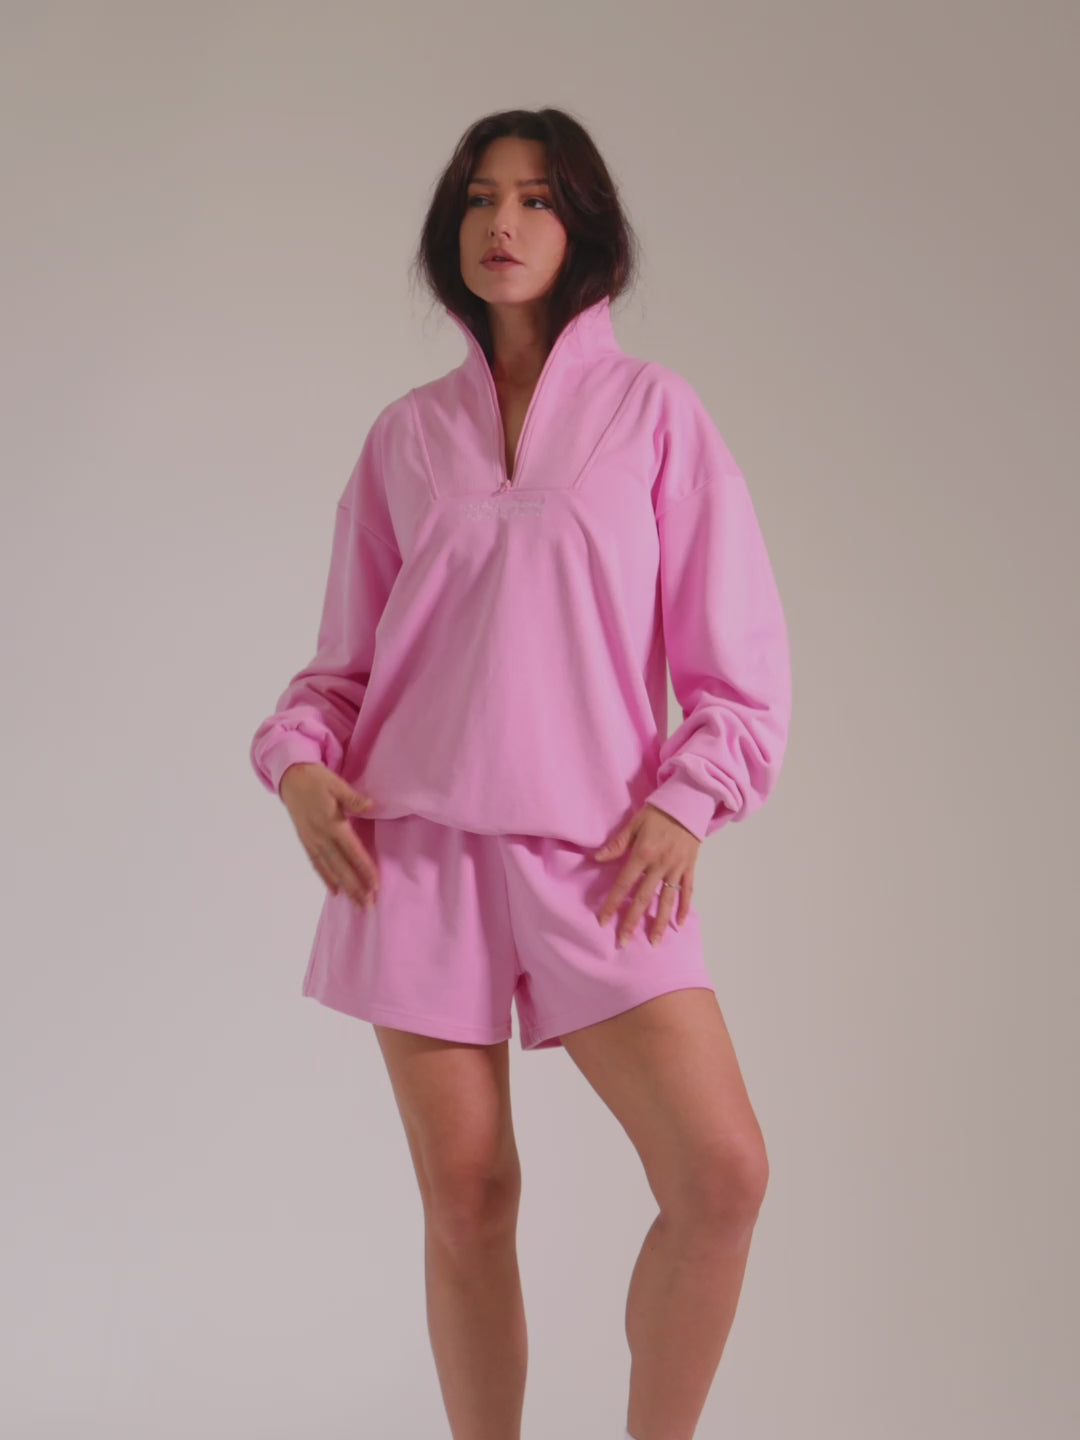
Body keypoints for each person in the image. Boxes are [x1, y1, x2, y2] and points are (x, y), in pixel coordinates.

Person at [249, 107, 791, 1440]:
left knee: (721, 1176)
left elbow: (736, 667)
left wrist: (687, 800)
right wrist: (298, 769)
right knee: (469, 1200)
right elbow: (340, 675)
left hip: (601, 856)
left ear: (582, 225)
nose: (503, 223)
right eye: (481, 198)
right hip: (414, 855)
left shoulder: (655, 415)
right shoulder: (404, 438)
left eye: (537, 199)